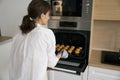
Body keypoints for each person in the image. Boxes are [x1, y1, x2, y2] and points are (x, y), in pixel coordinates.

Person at [9, 0, 66, 80]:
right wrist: (61, 53)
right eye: (48, 15)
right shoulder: (47, 34)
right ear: (42, 15)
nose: (49, 17)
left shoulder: (17, 35)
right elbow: (51, 63)